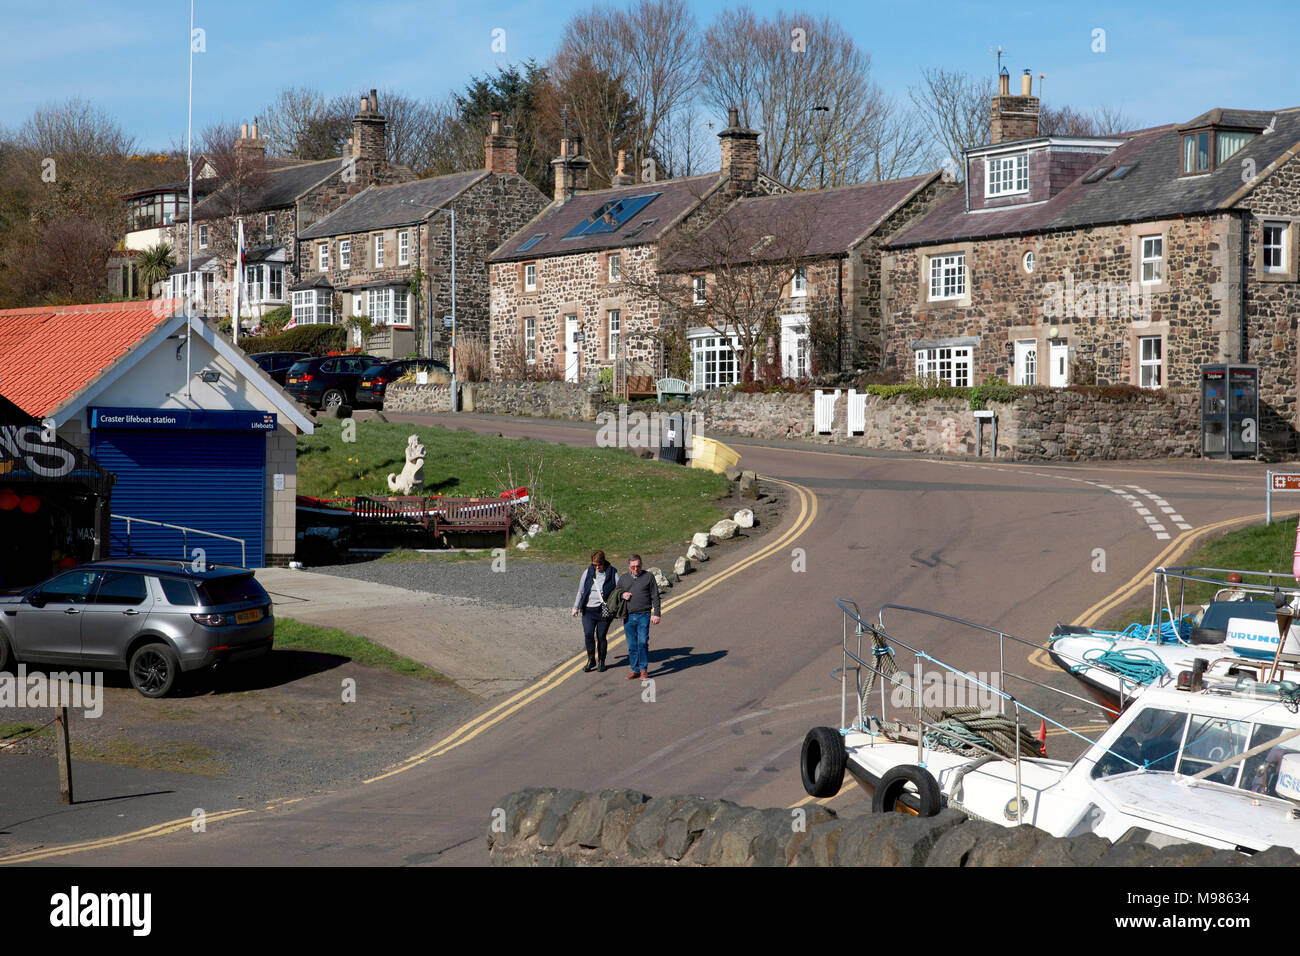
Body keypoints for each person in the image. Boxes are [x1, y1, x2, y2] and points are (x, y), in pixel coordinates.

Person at [571, 550, 619, 672]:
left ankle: (601, 661)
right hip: (588, 610)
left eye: (599, 565)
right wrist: (575, 607)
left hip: (603, 611)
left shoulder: (612, 573)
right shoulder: (587, 573)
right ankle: (591, 659)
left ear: (604, 562)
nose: (597, 567)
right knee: (588, 634)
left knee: (601, 636)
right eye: (594, 565)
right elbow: (580, 591)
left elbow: (619, 589)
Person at [618, 554, 660, 680]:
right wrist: (622, 594)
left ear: (641, 565)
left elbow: (655, 596)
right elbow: (615, 593)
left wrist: (657, 613)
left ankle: (643, 670)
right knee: (632, 645)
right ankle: (635, 670)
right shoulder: (623, 578)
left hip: (644, 615)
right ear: (629, 566)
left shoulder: (649, 577)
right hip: (628, 616)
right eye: (633, 567)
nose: (636, 569)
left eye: (638, 566)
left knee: (642, 642)